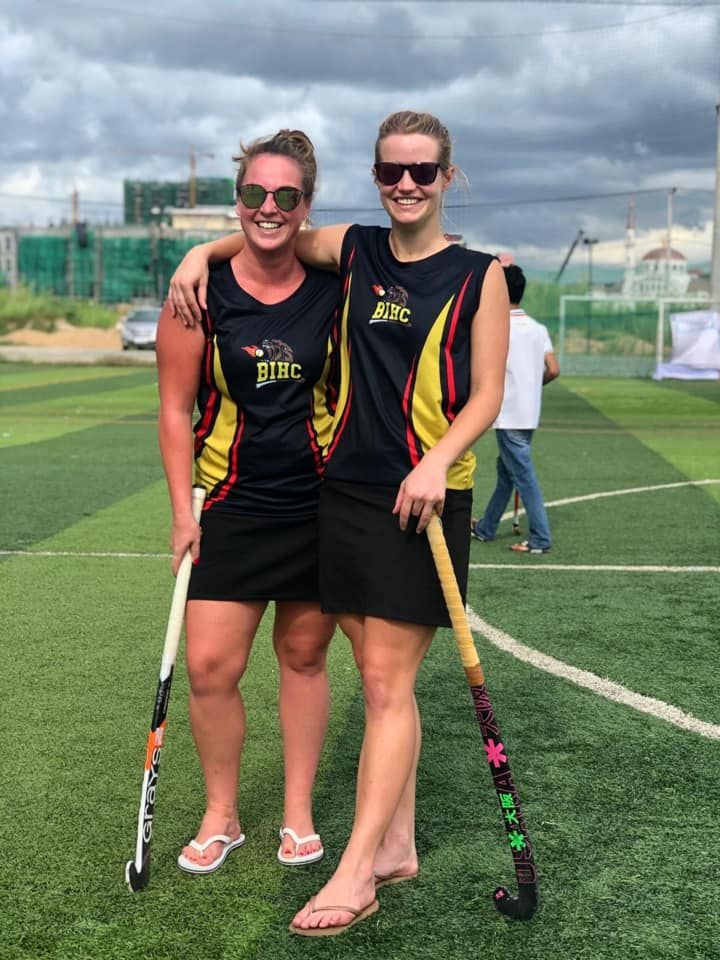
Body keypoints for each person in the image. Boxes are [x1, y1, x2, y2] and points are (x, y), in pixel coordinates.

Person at [168, 110, 509, 934]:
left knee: (386, 684)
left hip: (422, 500)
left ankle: (356, 871)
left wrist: (437, 460)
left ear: (447, 178)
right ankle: (394, 842)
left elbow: (490, 393)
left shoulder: (481, 274)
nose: (405, 185)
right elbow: (266, 239)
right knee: (384, 680)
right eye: (391, 171)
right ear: (374, 176)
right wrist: (197, 250)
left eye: (422, 172)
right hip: (347, 496)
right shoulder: (353, 250)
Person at [156, 129, 340, 877]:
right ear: (236, 200)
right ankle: (221, 814)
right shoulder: (197, 291)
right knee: (209, 667)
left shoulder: (336, 286)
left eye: (286, 196)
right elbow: (174, 410)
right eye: (254, 194)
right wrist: (180, 511)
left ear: (306, 205)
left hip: (319, 503)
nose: (268, 207)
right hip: (228, 502)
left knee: (302, 657)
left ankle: (296, 814)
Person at [471, 264, 559, 553]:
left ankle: (540, 539)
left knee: (523, 477)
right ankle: (486, 527)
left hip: (507, 413)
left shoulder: (495, 327)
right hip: (528, 412)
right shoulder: (538, 328)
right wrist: (534, 385)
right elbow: (553, 369)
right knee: (507, 473)